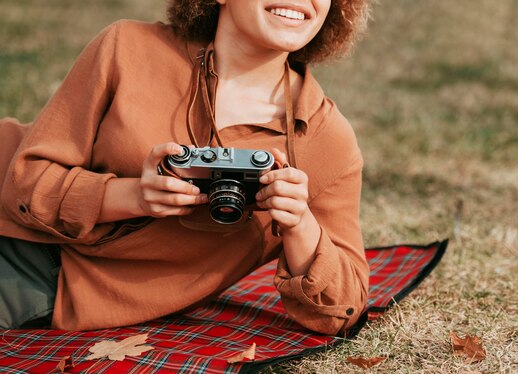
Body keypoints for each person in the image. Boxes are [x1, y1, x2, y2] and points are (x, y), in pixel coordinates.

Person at [0, 0, 370, 335]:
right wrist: (134, 196)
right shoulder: (125, 46)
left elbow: (344, 306)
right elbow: (25, 181)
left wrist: (298, 223)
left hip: (54, 278)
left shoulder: (327, 143)